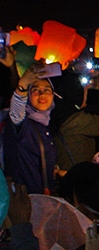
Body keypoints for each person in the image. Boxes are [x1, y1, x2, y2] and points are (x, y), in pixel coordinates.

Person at [3, 59, 60, 194]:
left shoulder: (46, 125)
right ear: (28, 96)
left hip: (42, 201)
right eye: (35, 90)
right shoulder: (22, 123)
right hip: (23, 199)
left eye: (47, 90)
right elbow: (16, 111)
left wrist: (55, 172)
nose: (42, 94)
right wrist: (22, 85)